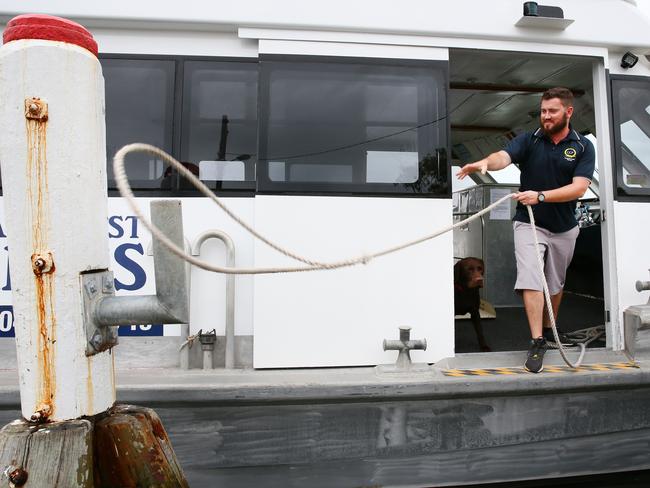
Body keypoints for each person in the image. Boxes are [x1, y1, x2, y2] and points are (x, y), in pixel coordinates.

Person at [456, 87, 595, 373]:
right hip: (528, 222)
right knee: (531, 278)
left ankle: (549, 329)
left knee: (555, 284)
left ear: (568, 112)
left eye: (552, 111)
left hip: (564, 227)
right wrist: (485, 162)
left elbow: (580, 187)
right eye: (543, 111)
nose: (546, 116)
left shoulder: (582, 146)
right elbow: (503, 157)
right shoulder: (529, 140)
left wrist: (541, 195)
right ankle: (537, 341)